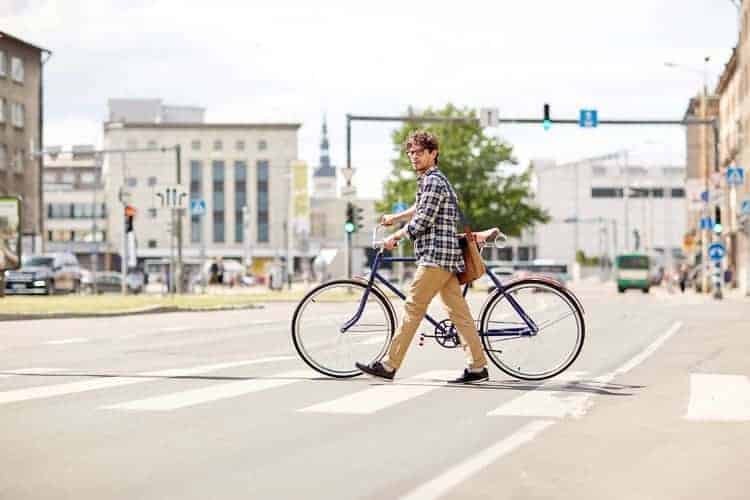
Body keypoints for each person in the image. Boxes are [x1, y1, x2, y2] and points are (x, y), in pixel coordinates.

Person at [355, 130, 489, 384]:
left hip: (435, 256)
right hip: (445, 256)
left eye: (418, 152)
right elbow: (421, 207)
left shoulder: (433, 181)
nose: (413, 157)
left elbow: (424, 219)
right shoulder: (434, 180)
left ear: (433, 153)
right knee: (459, 314)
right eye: (410, 153)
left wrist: (395, 236)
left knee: (413, 308)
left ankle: (389, 364)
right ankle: (477, 366)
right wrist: (396, 218)